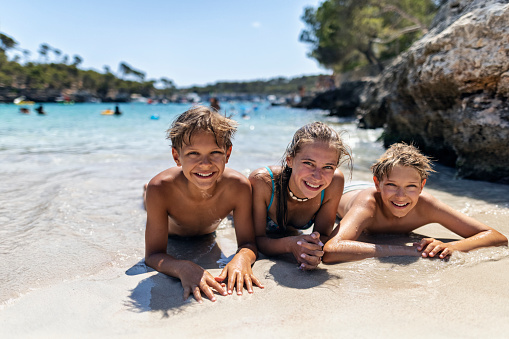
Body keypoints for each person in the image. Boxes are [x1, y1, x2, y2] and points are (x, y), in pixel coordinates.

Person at [144, 105, 263, 303]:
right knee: (147, 194)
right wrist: (182, 267)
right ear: (176, 156)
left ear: (228, 153)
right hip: (176, 234)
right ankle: (143, 192)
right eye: (193, 154)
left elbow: (248, 244)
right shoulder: (160, 189)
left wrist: (242, 258)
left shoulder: (239, 187)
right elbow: (153, 255)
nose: (205, 164)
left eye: (215, 152)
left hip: (208, 231)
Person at [323, 143, 508, 263]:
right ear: (377, 183)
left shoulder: (426, 204)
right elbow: (331, 249)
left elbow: (496, 236)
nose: (401, 196)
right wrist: (406, 251)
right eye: (392, 185)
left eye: (411, 186)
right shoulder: (368, 203)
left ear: (422, 186)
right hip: (352, 191)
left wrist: (453, 246)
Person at [249, 122, 352, 270]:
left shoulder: (334, 182)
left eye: (328, 167)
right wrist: (291, 245)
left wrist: (312, 251)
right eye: (309, 163)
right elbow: (256, 240)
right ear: (289, 160)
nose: (317, 176)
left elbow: (322, 235)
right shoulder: (263, 182)